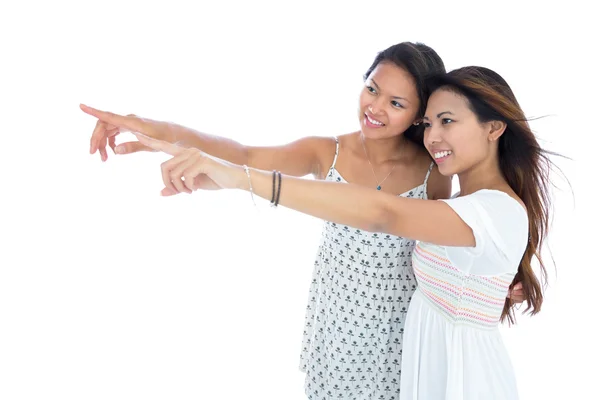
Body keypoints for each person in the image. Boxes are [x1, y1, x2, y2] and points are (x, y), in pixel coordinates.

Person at [83, 54, 527, 399]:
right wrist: (153, 128)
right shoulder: (331, 151)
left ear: (415, 115)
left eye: (397, 103)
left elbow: (396, 215)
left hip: (401, 345)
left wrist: (506, 273)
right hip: (339, 329)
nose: (375, 107)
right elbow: (245, 153)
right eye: (372, 89)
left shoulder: (438, 172)